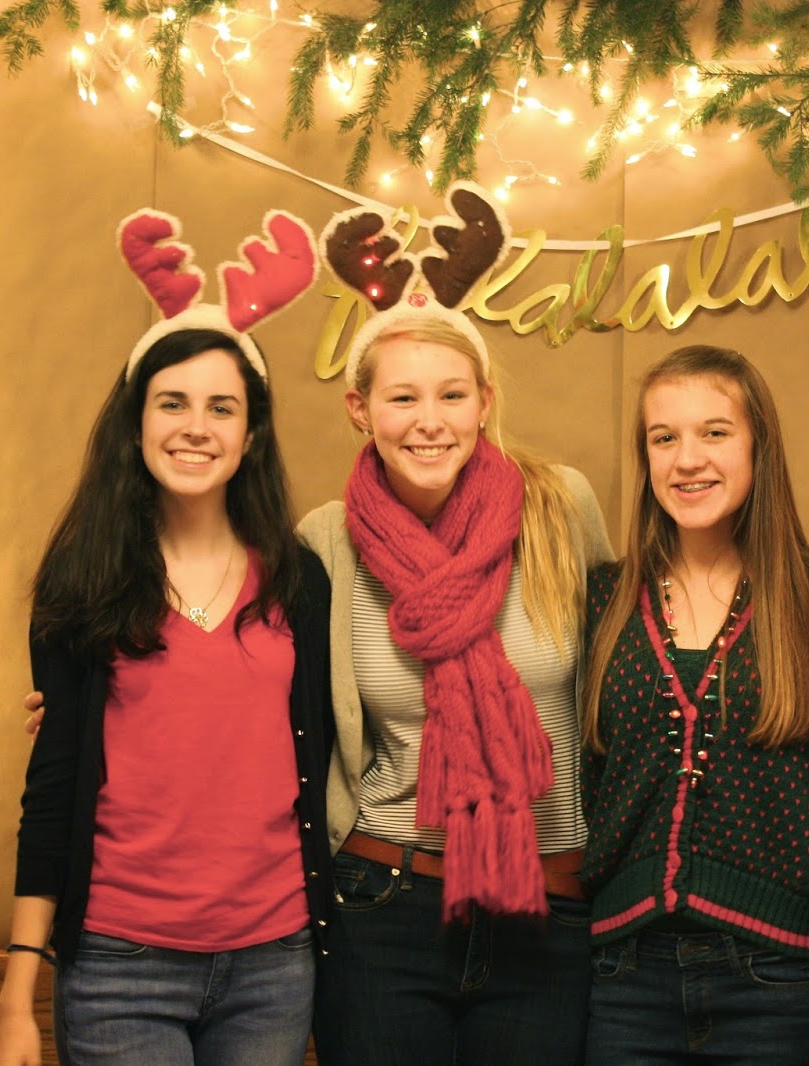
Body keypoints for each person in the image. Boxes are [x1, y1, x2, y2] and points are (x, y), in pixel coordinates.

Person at [0, 209, 332, 1066]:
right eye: (172, 403)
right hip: (118, 964)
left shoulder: (300, 581)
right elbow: (54, 784)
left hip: (273, 964)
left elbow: (332, 746)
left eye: (222, 408)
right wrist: (16, 994)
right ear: (137, 422)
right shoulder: (81, 581)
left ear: (250, 433)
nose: (196, 427)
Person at [300, 184, 614, 1066]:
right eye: (402, 399)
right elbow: (262, 692)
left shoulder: (560, 510)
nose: (429, 422)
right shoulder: (326, 541)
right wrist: (104, 704)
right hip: (383, 905)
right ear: (360, 409)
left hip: (548, 909)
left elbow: (628, 667)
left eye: (451, 395)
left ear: (484, 401)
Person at [578, 344, 809, 1064]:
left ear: (759, 446)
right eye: (664, 438)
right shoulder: (605, 600)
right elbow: (585, 778)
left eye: (715, 432)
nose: (687, 459)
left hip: (778, 976)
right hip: (625, 975)